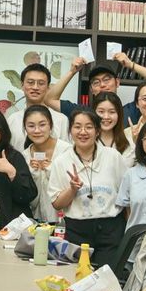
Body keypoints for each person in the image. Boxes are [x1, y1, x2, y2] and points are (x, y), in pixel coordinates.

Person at [48, 109, 127, 265]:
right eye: (77, 127)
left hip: (111, 229)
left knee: (107, 275)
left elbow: (125, 196)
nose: (83, 132)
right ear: (70, 131)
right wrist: (72, 189)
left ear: (97, 131)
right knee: (76, 275)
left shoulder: (113, 157)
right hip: (76, 230)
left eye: (89, 127)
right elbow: (57, 204)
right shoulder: (61, 161)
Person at [45, 55, 146, 127]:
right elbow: (49, 99)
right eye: (96, 82)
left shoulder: (132, 110)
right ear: (91, 89)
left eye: (106, 80)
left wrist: (130, 65)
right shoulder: (83, 112)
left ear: (117, 82)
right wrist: (72, 71)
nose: (102, 85)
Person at [21, 105, 71, 223]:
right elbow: (27, 198)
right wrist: (34, 174)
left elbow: (72, 187)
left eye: (42, 125)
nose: (37, 130)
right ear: (25, 129)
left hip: (65, 221)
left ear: (51, 126)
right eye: (31, 126)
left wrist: (51, 169)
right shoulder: (25, 156)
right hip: (36, 222)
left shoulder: (66, 151)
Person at [6, 63, 69, 149]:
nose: (35, 87)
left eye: (41, 83)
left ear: (48, 87)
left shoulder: (61, 120)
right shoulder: (12, 120)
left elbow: (67, 152)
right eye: (30, 82)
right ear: (22, 85)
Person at [92, 92, 135, 167]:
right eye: (101, 112)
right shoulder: (86, 141)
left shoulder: (130, 142)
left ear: (119, 114)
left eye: (112, 112)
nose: (106, 117)